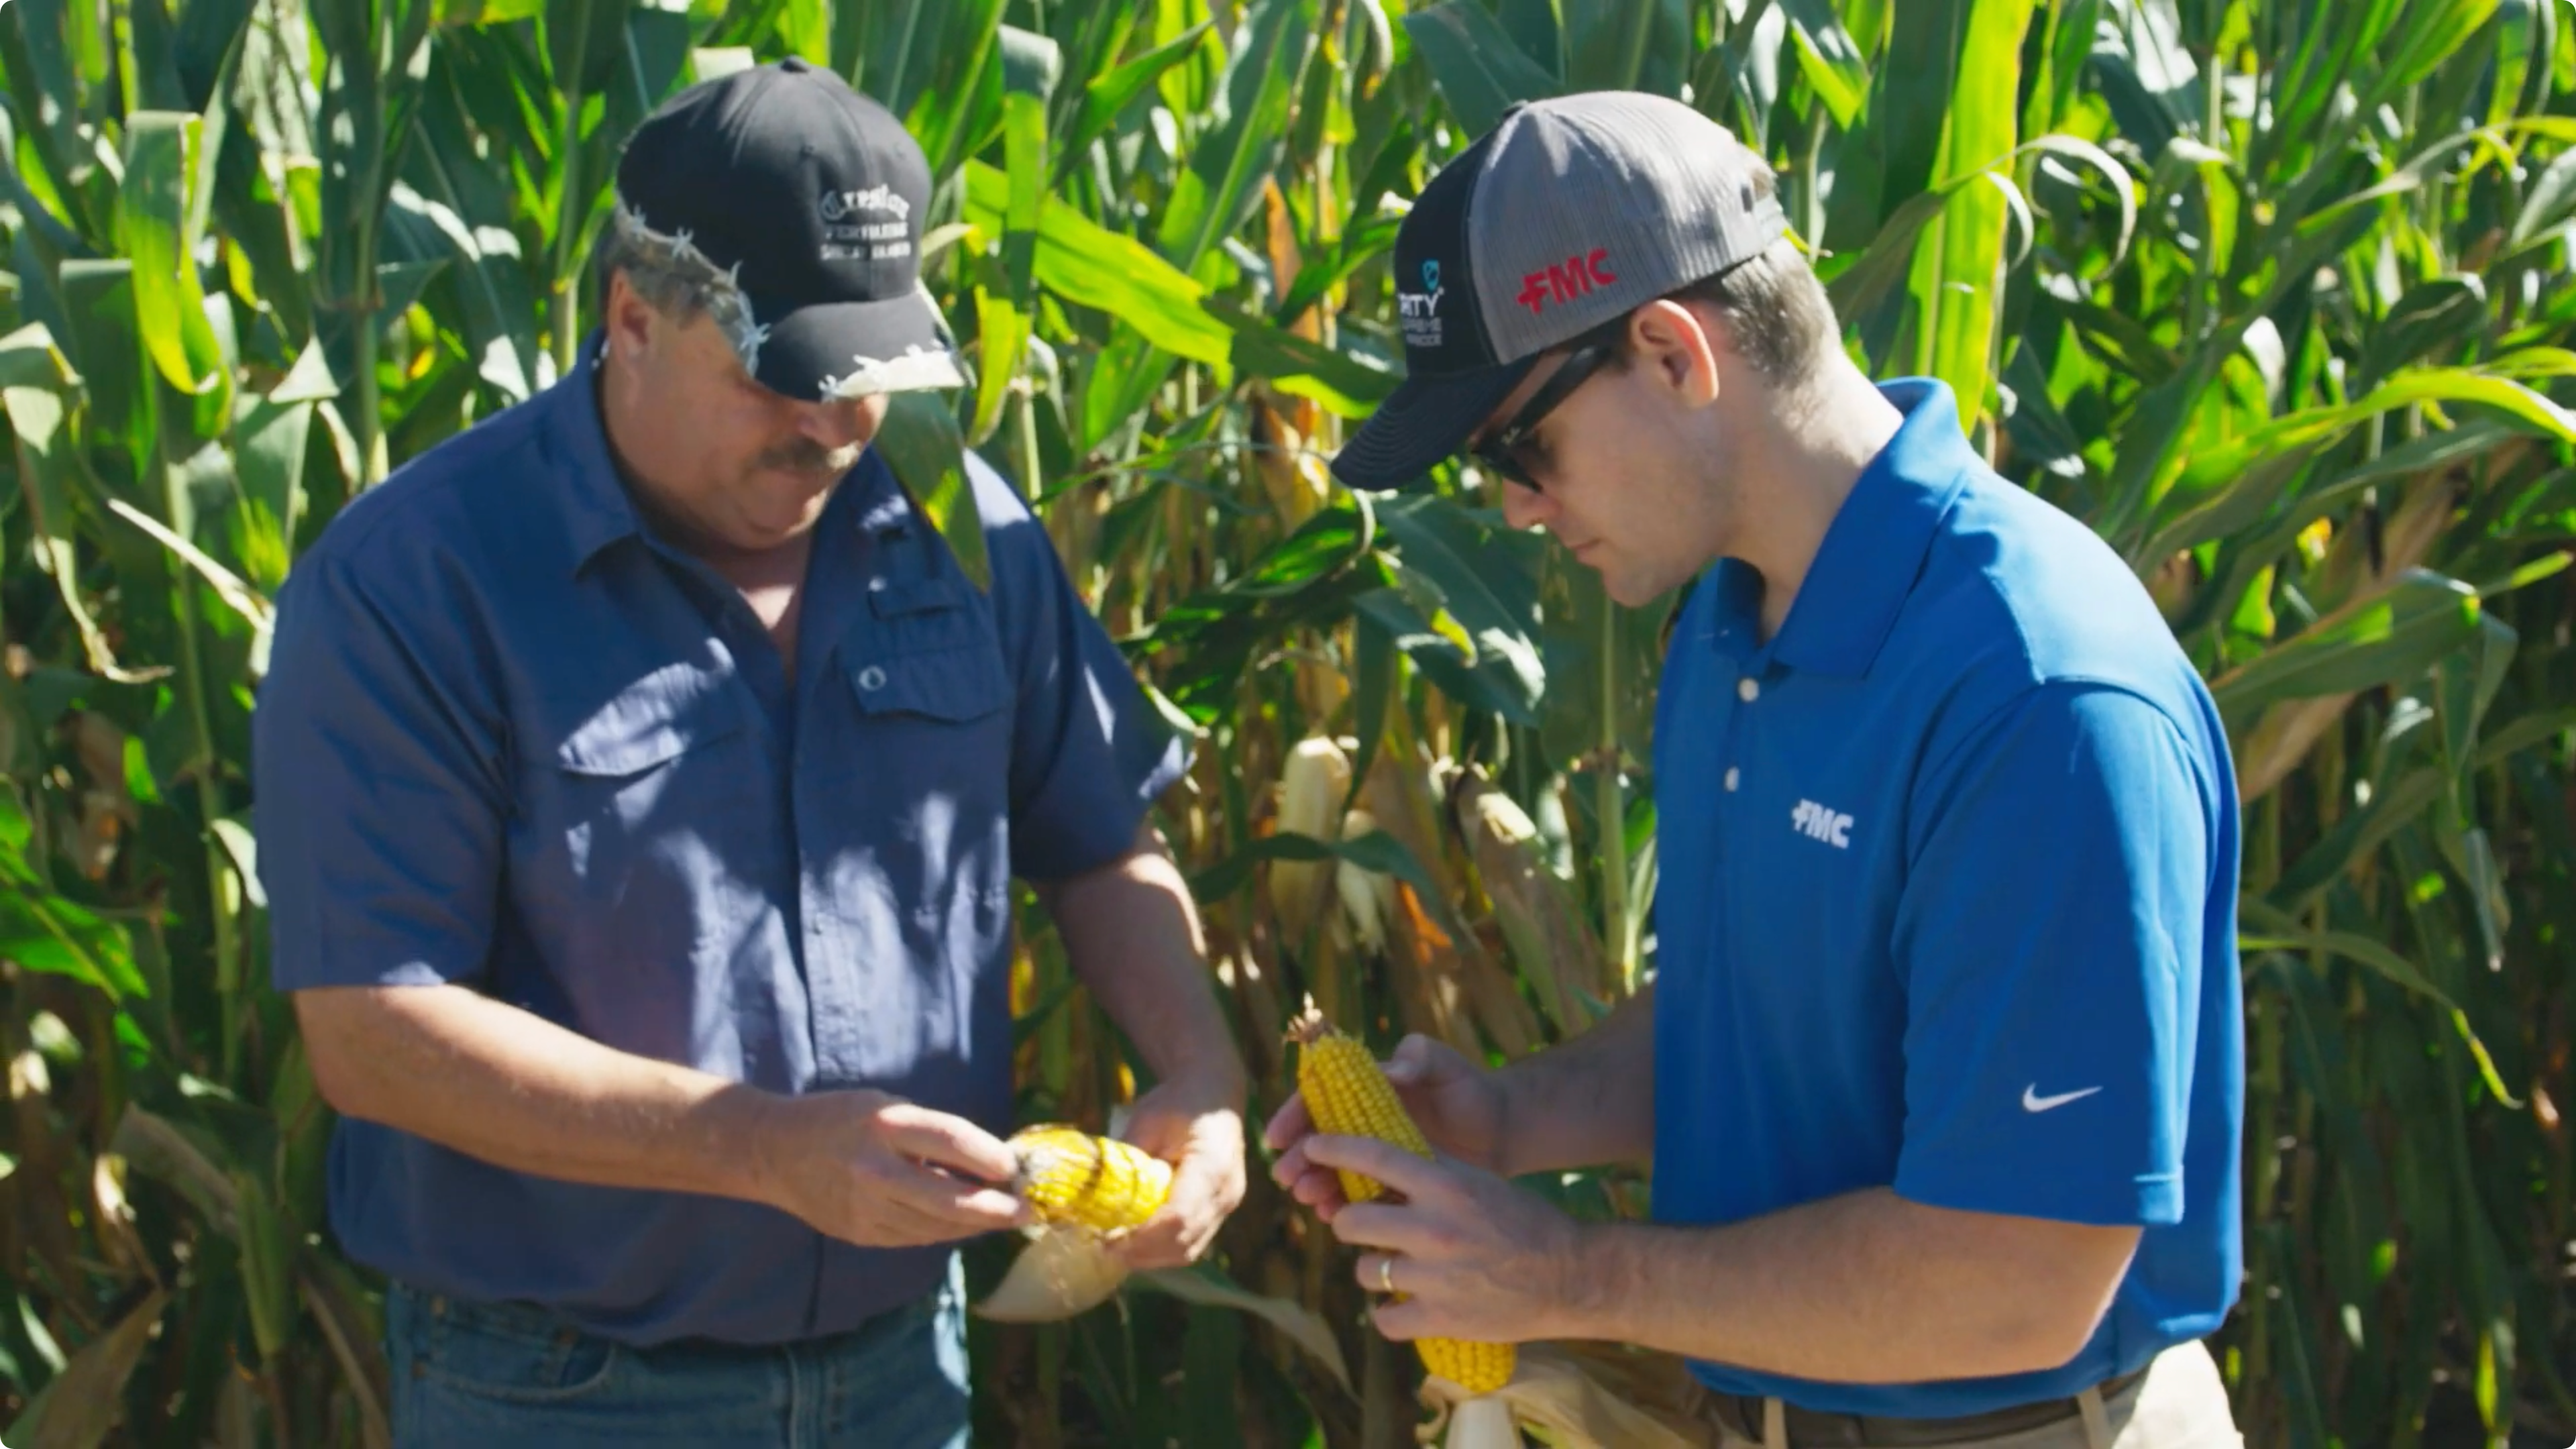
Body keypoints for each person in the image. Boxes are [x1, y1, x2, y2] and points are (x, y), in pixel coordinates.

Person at [254, 59, 1246, 1448]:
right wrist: (762, 1150)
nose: (839, 427)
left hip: (908, 1373)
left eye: (872, 378)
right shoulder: (416, 585)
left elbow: (1098, 841)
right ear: (633, 318)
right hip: (561, 1393)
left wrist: (1202, 1074)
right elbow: (374, 1034)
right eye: (788, 377)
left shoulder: (965, 530)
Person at [1268, 91, 2245, 1449]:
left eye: (1518, 447)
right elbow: (1763, 1015)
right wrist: (1510, 1115)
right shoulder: (1730, 624)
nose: (1511, 508)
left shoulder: (2035, 695)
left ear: (1673, 353)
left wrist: (1570, 1275)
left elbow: (2022, 1283)